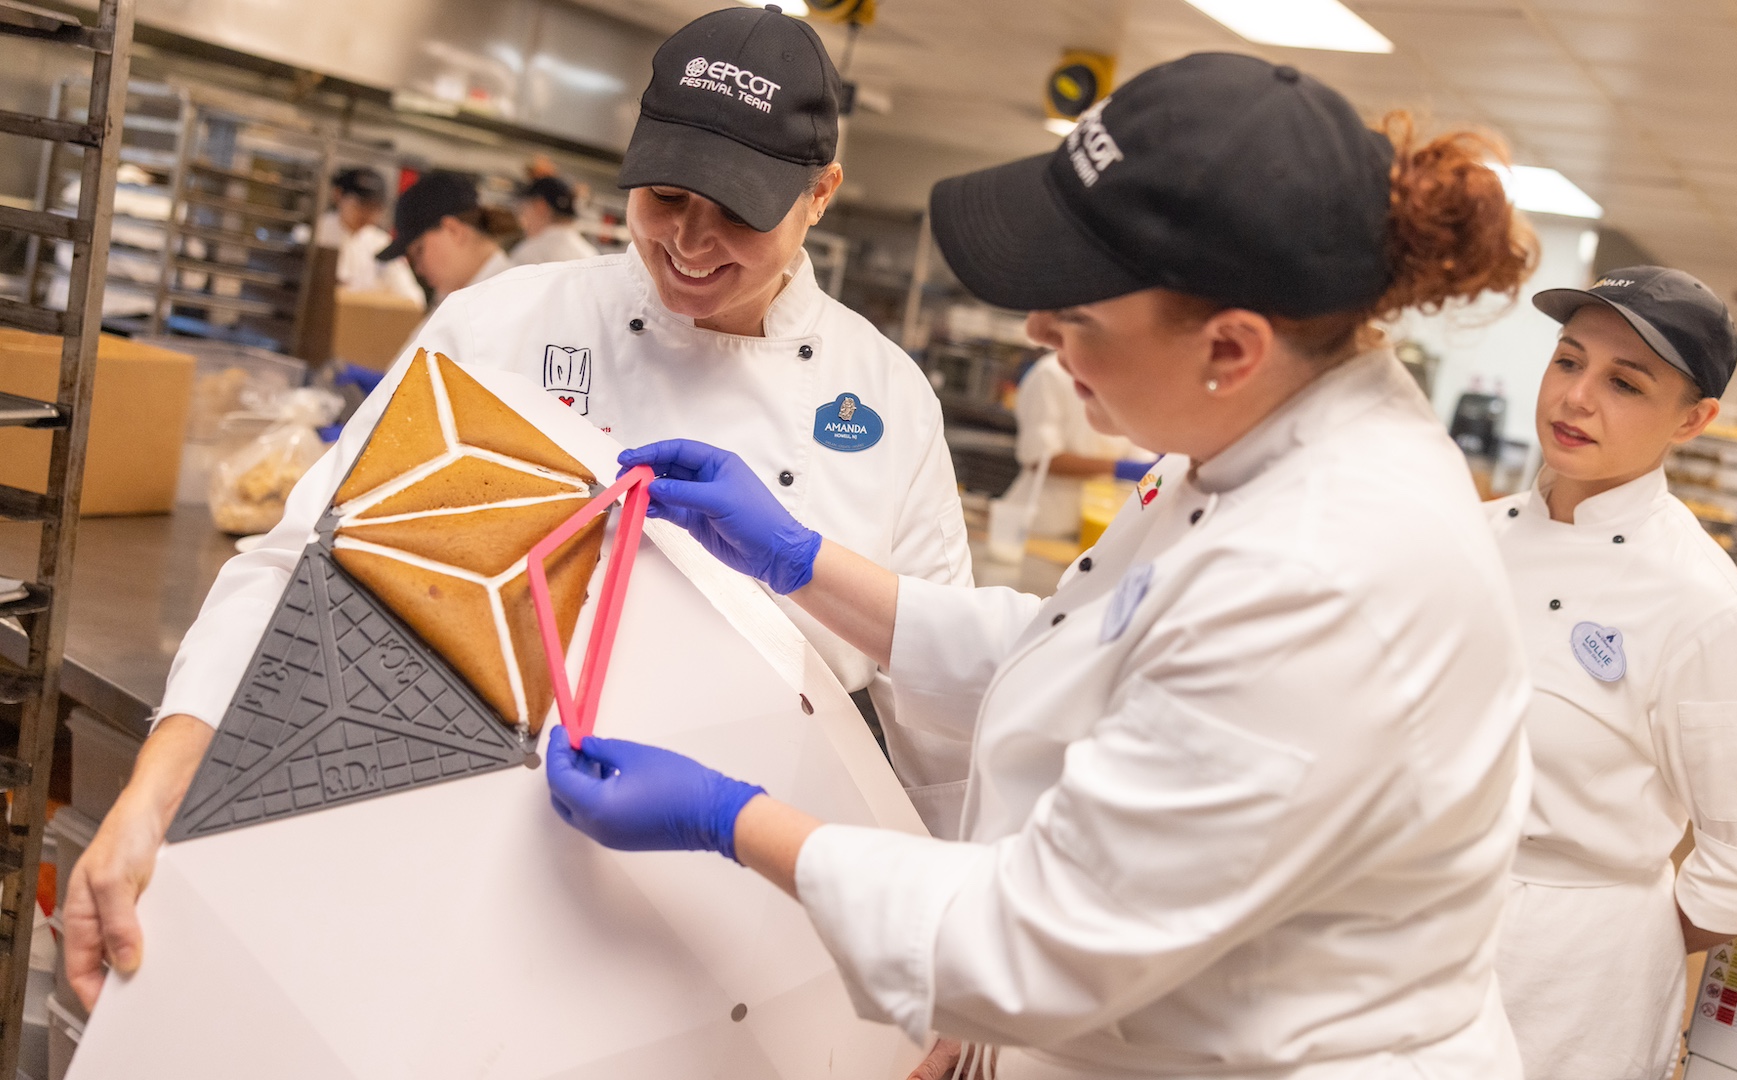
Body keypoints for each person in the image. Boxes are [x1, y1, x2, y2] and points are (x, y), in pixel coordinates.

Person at [548, 54, 1541, 1079]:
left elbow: (1045, 943)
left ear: (1232, 347)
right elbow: (1082, 652)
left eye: (1075, 316)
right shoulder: (1248, 436)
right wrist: (802, 564)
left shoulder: (1326, 573)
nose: (1035, 334)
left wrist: (733, 820)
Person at [64, 4, 970, 1010]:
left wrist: (948, 956)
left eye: (742, 211)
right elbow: (308, 560)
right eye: (666, 195)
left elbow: (939, 707)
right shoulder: (505, 326)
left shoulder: (883, 400)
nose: (693, 242)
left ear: (821, 196)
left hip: (753, 914)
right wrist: (166, 773)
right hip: (473, 849)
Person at [1487, 267, 1737, 1079]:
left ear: (1694, 420)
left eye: (1624, 382)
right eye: (1568, 361)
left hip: (1566, 992)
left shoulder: (1708, 611)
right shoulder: (1474, 536)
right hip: (1408, 930)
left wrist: (1606, 929)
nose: (1576, 397)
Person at [1003, 352, 1155, 539]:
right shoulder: (1052, 373)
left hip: (1099, 527)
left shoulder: (1134, 381)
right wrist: (1119, 468)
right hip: (1042, 524)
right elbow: (1040, 457)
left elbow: (1143, 455)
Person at [376, 170, 515, 305]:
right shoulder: (461, 297)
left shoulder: (508, 302)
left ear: (453, 230)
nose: (418, 268)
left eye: (419, 250)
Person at [315, 167, 427, 305]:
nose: (367, 213)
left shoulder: (382, 244)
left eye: (375, 208)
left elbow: (414, 298)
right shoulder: (314, 235)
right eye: (361, 204)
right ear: (338, 195)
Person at [509, 174, 601, 266]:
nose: (522, 219)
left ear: (540, 206)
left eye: (523, 210)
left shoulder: (529, 253)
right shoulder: (590, 254)